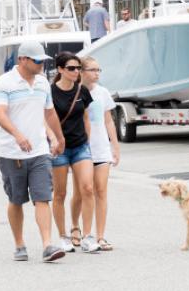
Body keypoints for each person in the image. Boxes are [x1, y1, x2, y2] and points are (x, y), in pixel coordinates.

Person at [0, 41, 67, 263]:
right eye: (37, 60)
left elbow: (50, 113)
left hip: (39, 151)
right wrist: (17, 134)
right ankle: (19, 244)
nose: (42, 64)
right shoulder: (4, 82)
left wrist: (59, 137)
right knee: (16, 199)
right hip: (11, 152)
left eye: (43, 60)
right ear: (22, 59)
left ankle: (47, 245)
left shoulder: (43, 83)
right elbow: (0, 113)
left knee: (43, 197)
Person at [50, 52, 99, 254]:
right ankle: (63, 236)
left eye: (78, 68)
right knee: (60, 193)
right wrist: (53, 140)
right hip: (60, 149)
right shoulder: (50, 92)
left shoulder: (82, 90)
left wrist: (87, 140)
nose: (76, 71)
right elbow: (46, 119)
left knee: (87, 188)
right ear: (60, 69)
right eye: (71, 68)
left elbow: (86, 118)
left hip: (80, 147)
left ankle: (87, 236)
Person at [70, 56, 120, 252]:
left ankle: (99, 236)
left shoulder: (103, 93)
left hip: (101, 149)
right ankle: (76, 228)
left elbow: (108, 121)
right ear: (81, 72)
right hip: (81, 148)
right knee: (82, 192)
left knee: (101, 191)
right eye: (92, 70)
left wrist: (115, 146)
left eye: (99, 70)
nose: (97, 73)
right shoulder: (74, 92)